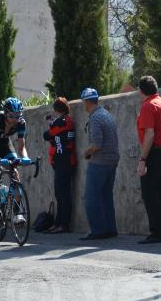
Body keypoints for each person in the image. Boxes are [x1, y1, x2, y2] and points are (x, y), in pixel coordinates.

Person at [136, 76, 161, 244]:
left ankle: (157, 232)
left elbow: (150, 134)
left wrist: (142, 159)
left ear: (140, 90)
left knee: (149, 193)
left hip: (155, 153)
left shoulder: (148, 106)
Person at [0, 97, 31, 221]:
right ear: (5, 113)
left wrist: (25, 157)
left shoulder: (20, 123)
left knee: (15, 173)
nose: (15, 119)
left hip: (4, 144)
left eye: (18, 115)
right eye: (11, 116)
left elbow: (21, 146)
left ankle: (17, 212)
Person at [81, 87, 119, 240]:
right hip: (112, 160)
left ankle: (97, 230)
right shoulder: (105, 114)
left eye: (83, 101)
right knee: (106, 196)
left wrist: (86, 152)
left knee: (91, 197)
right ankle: (110, 229)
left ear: (86, 101)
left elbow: (97, 144)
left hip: (100, 162)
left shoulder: (95, 118)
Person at [42, 97, 76, 233]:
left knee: (63, 194)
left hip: (64, 160)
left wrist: (50, 124)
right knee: (60, 193)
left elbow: (47, 135)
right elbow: (54, 136)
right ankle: (59, 223)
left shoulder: (61, 121)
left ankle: (63, 224)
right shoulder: (65, 121)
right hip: (64, 160)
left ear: (57, 110)